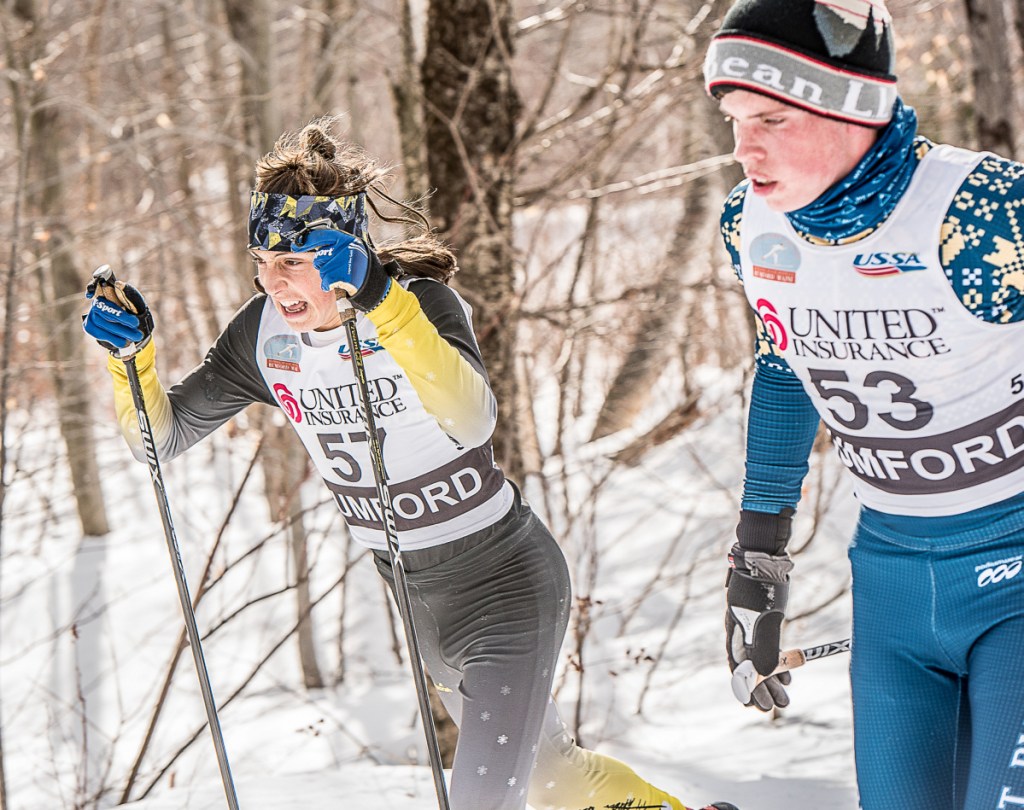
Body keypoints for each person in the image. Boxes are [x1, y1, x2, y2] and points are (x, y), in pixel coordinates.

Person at [83, 116, 739, 810]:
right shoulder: (263, 335)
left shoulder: (419, 305)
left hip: (505, 581)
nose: (275, 281)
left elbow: (472, 420)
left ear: (343, 250)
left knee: (484, 801)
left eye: (294, 259)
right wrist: (134, 363)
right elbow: (163, 440)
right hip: (419, 599)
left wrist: (379, 303)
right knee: (554, 776)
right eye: (263, 260)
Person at [702, 1, 1024, 808]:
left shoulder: (980, 214)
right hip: (890, 585)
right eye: (737, 120)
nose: (745, 147)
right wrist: (758, 558)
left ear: (850, 108)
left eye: (772, 116)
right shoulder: (751, 225)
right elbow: (785, 371)